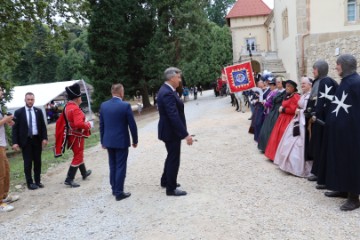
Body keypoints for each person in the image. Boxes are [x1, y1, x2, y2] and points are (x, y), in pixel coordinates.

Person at [324, 54, 360, 211]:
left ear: (344, 65)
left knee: (352, 162)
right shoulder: (346, 82)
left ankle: (354, 197)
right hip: (342, 132)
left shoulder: (356, 83)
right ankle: (343, 188)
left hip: (352, 133)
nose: (336, 67)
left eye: (338, 64)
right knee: (341, 160)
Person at [157, 67, 193, 196]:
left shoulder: (167, 90)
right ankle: (171, 188)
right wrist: (185, 134)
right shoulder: (167, 92)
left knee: (171, 156)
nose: (180, 80)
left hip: (169, 131)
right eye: (178, 77)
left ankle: (166, 180)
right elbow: (173, 115)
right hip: (170, 132)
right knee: (174, 158)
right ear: (172, 78)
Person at [100, 83, 138, 201]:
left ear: (112, 92)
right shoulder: (125, 105)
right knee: (121, 166)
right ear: (121, 92)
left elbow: (102, 125)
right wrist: (135, 140)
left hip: (108, 141)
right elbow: (132, 125)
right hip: (121, 141)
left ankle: (114, 188)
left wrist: (102, 141)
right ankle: (119, 192)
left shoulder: (104, 106)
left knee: (113, 165)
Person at [305, 60, 338, 190]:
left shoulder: (326, 82)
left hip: (323, 121)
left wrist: (316, 114)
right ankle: (318, 172)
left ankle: (322, 175)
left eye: (314, 69)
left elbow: (324, 103)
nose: (313, 72)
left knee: (321, 147)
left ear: (318, 70)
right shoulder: (322, 81)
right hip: (319, 119)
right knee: (318, 147)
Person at [274, 77, 313, 177]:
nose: (302, 85)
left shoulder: (310, 96)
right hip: (297, 120)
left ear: (310, 85)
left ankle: (300, 167)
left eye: (304, 83)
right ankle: (289, 165)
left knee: (299, 144)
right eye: (302, 83)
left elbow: (307, 110)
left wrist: (297, 111)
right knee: (289, 142)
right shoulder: (303, 95)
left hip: (303, 122)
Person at [12, 92, 48, 190]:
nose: (30, 101)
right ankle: (30, 183)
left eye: (32, 99)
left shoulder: (38, 111)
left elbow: (43, 126)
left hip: (37, 139)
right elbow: (15, 128)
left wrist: (44, 138)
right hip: (25, 141)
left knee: (37, 162)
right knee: (27, 163)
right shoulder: (19, 112)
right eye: (28, 99)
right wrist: (15, 142)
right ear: (25, 100)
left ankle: (38, 181)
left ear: (34, 100)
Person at [62, 83, 92, 188]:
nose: (81, 98)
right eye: (80, 96)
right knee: (78, 155)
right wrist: (88, 125)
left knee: (78, 154)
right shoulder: (75, 109)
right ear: (77, 98)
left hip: (71, 135)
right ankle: (69, 179)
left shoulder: (67, 107)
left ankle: (84, 173)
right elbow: (79, 123)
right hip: (77, 136)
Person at [265, 80, 300, 161]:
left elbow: (293, 109)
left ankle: (282, 158)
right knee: (276, 137)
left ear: (293, 88)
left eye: (289, 86)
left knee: (284, 138)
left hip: (288, 120)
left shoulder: (295, 96)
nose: (287, 88)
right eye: (286, 86)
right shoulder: (287, 95)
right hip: (282, 119)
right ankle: (274, 155)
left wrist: (283, 109)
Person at [0, 87, 19, 212]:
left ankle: (4, 196)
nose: (2, 92)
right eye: (0, 90)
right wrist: (5, 120)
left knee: (6, 170)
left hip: (2, 143)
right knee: (0, 173)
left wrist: (7, 121)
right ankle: (0, 202)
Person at [257, 77, 286, 152]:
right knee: (267, 129)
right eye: (277, 82)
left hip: (278, 112)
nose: (277, 83)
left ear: (282, 83)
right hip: (273, 111)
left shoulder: (284, 92)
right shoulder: (275, 91)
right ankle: (266, 147)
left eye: (279, 82)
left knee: (273, 130)